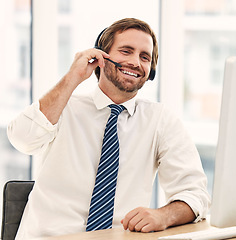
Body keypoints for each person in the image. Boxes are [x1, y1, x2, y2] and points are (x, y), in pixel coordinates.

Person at [7, 18, 210, 239]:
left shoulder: (160, 119)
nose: (135, 62)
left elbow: (195, 194)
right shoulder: (64, 106)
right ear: (100, 57)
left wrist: (163, 216)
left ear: (150, 70)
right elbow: (21, 138)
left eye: (144, 57)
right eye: (126, 51)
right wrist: (73, 77)